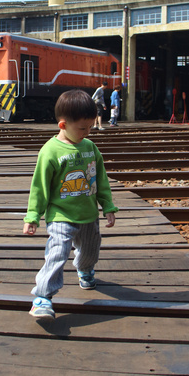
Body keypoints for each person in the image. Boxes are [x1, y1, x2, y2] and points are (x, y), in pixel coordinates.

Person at [23, 89, 118, 319]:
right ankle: (43, 297)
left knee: (90, 250)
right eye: (82, 129)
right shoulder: (50, 151)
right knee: (57, 252)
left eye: (90, 128)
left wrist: (108, 206)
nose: (87, 133)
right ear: (63, 125)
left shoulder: (90, 148)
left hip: (88, 214)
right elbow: (40, 187)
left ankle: (84, 269)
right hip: (60, 214)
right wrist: (33, 216)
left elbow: (101, 179)